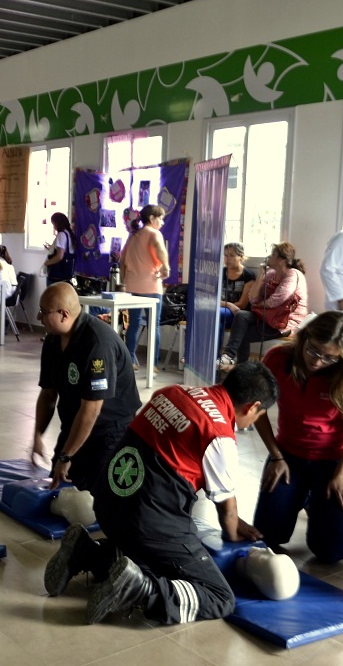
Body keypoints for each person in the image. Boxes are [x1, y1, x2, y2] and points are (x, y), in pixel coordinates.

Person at [46, 363, 278, 625]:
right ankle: (140, 591)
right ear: (251, 407)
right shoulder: (219, 433)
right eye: (258, 416)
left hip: (107, 504)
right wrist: (235, 530)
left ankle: (87, 552)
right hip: (146, 522)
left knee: (151, 563)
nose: (252, 421)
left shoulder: (173, 392)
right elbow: (227, 512)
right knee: (220, 597)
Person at [252, 311, 343, 563]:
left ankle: (312, 498)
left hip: (334, 461)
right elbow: (257, 408)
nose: (317, 361)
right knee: (266, 537)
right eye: (314, 350)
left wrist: (342, 474)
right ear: (304, 337)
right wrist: (276, 457)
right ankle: (304, 494)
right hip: (289, 456)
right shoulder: (278, 358)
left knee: (330, 553)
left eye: (330, 357)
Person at [31, 282, 142, 491]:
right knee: (59, 488)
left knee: (94, 500)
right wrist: (38, 435)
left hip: (109, 431)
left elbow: (91, 409)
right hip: (75, 423)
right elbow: (48, 393)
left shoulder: (97, 343)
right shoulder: (53, 341)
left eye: (43, 312)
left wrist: (66, 456)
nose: (39, 317)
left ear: (64, 314)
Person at [218, 242, 308, 368]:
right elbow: (253, 298)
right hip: (267, 317)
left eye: (272, 255)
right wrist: (261, 274)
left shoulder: (293, 274)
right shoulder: (270, 274)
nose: (268, 257)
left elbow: (277, 300)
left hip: (283, 323)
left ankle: (239, 367)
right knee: (241, 315)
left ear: (281, 260)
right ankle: (229, 356)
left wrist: (259, 304)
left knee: (242, 333)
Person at [120, 204, 169, 371]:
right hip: (151, 286)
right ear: (152, 219)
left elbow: (122, 260)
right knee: (153, 326)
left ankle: (130, 360)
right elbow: (159, 248)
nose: (162, 222)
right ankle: (152, 364)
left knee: (133, 324)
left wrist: (124, 281)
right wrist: (166, 266)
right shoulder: (155, 234)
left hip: (133, 286)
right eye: (160, 218)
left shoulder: (133, 236)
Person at [218, 242, 255, 339]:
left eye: (231, 255)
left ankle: (215, 352)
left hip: (238, 313)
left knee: (216, 315)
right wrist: (228, 304)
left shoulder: (248, 275)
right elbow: (212, 298)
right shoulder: (220, 273)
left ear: (241, 256)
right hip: (223, 309)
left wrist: (223, 304)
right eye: (225, 255)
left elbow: (242, 304)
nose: (227, 259)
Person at [43, 213, 76, 286]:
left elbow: (59, 256)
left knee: (52, 296)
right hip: (67, 275)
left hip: (57, 276)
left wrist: (46, 263)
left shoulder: (61, 235)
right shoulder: (69, 233)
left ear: (58, 223)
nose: (54, 227)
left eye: (53, 224)